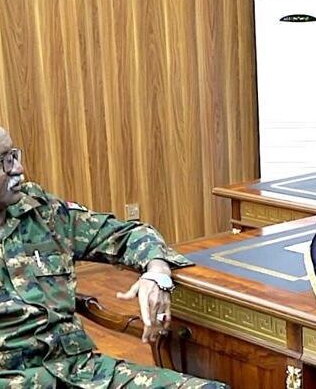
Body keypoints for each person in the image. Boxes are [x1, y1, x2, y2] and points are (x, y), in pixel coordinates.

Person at [0, 127, 225, 387]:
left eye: (14, 155)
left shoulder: (42, 213)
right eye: (5, 161)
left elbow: (127, 234)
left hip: (82, 374)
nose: (19, 168)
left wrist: (157, 272)